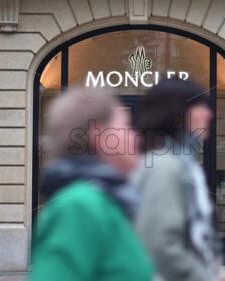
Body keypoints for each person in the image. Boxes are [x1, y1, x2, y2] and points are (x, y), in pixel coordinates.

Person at [31, 87, 154, 281]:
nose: (136, 136)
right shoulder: (79, 206)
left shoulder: (111, 200)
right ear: (101, 136)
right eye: (127, 126)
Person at [134, 78, 225, 281]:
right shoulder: (163, 166)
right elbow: (161, 245)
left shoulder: (185, 164)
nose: (209, 114)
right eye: (200, 106)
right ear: (176, 115)